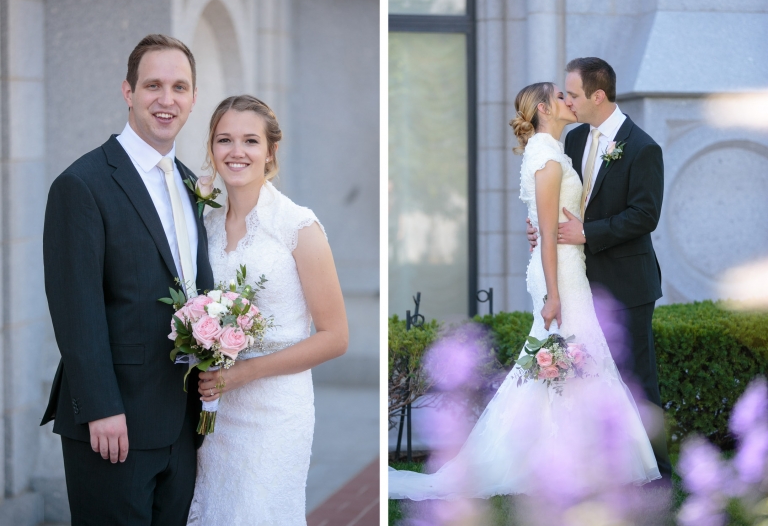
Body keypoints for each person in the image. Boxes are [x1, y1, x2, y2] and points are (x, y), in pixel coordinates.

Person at [388, 82, 661, 500]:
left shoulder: (549, 149)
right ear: (546, 110)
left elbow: (544, 223)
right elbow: (548, 233)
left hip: (566, 267)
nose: (569, 102)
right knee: (572, 359)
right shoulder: (547, 155)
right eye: (561, 97)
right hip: (561, 275)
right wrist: (554, 293)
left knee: (563, 362)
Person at [41, 34, 214, 525]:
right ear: (128, 92)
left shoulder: (190, 184)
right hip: (114, 424)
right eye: (153, 85)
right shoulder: (82, 184)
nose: (167, 99)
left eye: (179, 87)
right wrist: (100, 407)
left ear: (193, 98)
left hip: (181, 423)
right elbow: (76, 309)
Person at [186, 95, 348, 525]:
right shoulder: (202, 225)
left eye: (250, 141)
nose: (236, 151)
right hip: (213, 409)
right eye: (224, 140)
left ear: (271, 151)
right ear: (212, 148)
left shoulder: (299, 227)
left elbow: (335, 337)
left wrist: (239, 374)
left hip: (274, 410)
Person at [527, 57, 672, 480]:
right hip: (580, 284)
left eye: (572, 94)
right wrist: (543, 229)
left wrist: (585, 233)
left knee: (637, 378)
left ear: (597, 96)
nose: (566, 101)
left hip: (627, 283)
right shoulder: (572, 142)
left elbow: (645, 215)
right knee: (587, 376)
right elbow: (560, 204)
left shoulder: (643, 147)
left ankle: (659, 472)